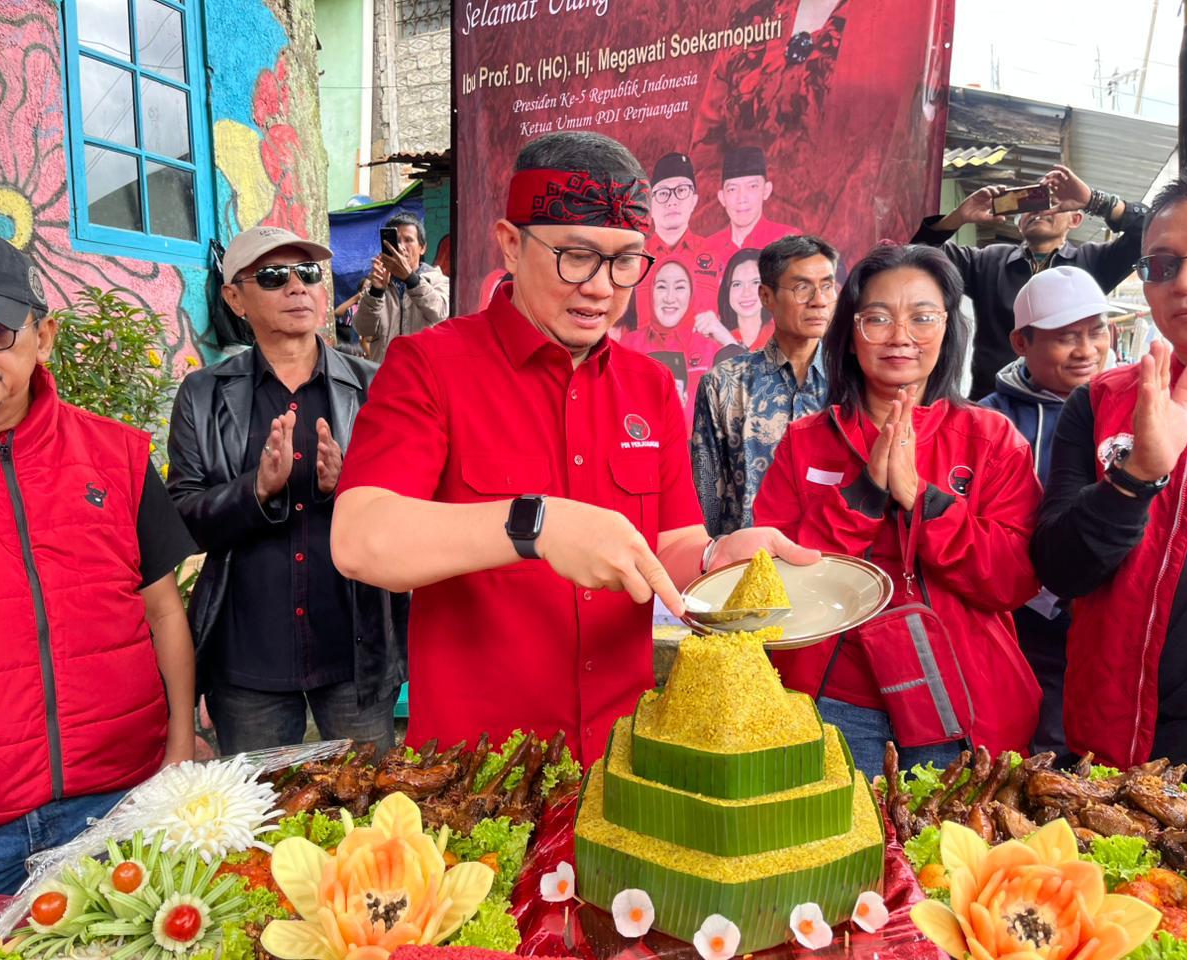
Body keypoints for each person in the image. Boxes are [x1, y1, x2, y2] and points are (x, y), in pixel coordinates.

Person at [331, 132, 816, 765]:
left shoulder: (647, 387)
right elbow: (361, 538)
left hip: (618, 759)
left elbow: (667, 547)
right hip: (478, 765)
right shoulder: (429, 365)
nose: (601, 288)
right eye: (577, 256)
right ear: (510, 243)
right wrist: (536, 525)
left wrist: (723, 556)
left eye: (625, 261)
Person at [0, 229, 196, 892]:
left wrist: (176, 751)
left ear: (43, 337)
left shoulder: (115, 457)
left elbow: (164, 611)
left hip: (115, 805)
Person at [753, 243, 1042, 776]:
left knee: (948, 855)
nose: (900, 336)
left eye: (923, 317)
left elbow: (1015, 577)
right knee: (844, 849)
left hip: (962, 702)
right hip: (837, 702)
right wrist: (863, 497)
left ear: (949, 328)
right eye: (878, 318)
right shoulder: (805, 442)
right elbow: (776, 587)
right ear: (851, 332)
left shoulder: (991, 438)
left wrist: (925, 502)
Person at [167, 225, 406, 757]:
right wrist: (255, 491)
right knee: (258, 825)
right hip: (249, 660)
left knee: (371, 817)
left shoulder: (375, 386)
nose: (297, 287)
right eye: (274, 277)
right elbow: (182, 516)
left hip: (355, 649)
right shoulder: (204, 395)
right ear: (235, 298)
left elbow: (407, 512)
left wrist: (347, 488)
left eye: (308, 274)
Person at [1030, 168, 1187, 773]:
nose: (1185, 281)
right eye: (1161, 266)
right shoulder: (1102, 401)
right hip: (1117, 745)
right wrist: (1135, 478)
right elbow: (1060, 567)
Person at [979, 266, 1112, 757]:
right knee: (1039, 747)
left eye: (1096, 331)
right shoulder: (989, 420)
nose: (1086, 350)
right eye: (1065, 337)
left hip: (1111, 616)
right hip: (1028, 622)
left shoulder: (1129, 403)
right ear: (1021, 342)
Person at [911, 164, 1147, 399]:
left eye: (1050, 202)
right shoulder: (987, 261)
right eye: (1029, 205)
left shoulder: (1093, 261)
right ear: (1019, 221)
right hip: (995, 406)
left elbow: (1147, 230)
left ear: (1075, 219)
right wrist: (958, 217)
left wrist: (1095, 201)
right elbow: (917, 256)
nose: (1038, 210)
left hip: (1070, 408)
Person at [693, 235, 836, 536]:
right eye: (802, 287)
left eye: (827, 286)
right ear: (766, 296)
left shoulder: (854, 381)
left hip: (840, 568)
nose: (819, 300)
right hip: (751, 567)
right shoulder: (723, 384)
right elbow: (707, 500)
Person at [621, 258, 720, 423]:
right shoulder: (628, 345)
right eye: (661, 287)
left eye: (680, 287)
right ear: (650, 292)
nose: (669, 298)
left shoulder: (710, 346)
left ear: (692, 293)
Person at [635, 152, 720, 327]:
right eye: (663, 193)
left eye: (681, 190)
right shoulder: (634, 256)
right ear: (650, 203)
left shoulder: (716, 253)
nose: (672, 201)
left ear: (694, 200)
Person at [353, 211, 450, 363]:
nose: (401, 246)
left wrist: (410, 278)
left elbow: (440, 314)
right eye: (396, 241)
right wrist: (376, 292)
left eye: (408, 240)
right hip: (386, 376)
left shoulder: (438, 280)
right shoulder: (379, 282)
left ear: (422, 248)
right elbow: (363, 329)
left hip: (424, 377)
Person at [704, 146, 797, 273]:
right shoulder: (707, 249)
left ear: (766, 190)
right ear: (722, 197)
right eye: (732, 189)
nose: (742, 198)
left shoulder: (788, 242)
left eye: (752, 186)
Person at [701, 248, 773, 353]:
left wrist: (728, 342)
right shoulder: (713, 340)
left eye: (755, 282)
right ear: (727, 291)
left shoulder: (784, 336)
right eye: (737, 284)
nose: (746, 292)